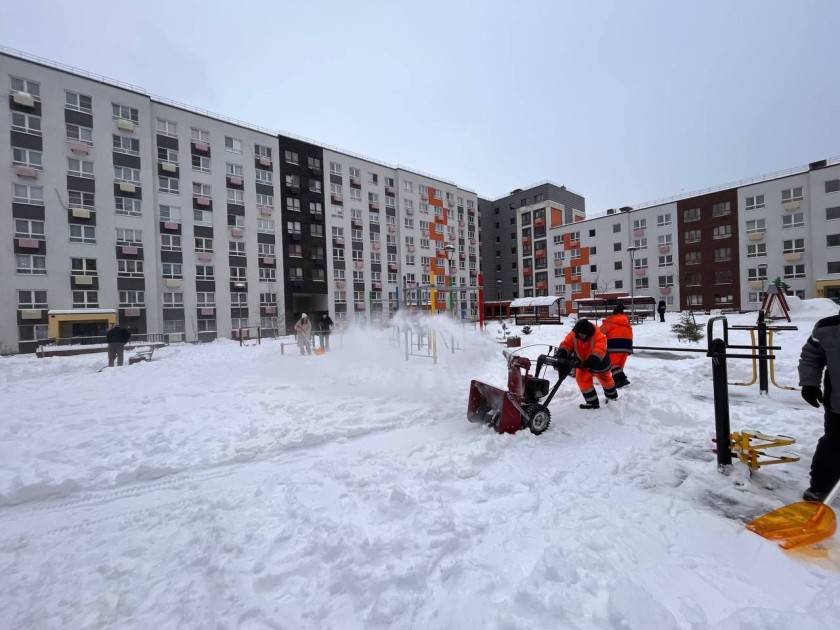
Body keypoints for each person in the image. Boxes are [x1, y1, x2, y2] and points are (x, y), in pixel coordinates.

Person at [798, 313, 840, 501]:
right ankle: (822, 487)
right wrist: (810, 384)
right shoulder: (827, 327)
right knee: (834, 442)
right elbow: (811, 357)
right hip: (838, 402)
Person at [556, 319, 618, 409]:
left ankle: (612, 397)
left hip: (599, 361)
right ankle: (592, 402)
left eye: (582, 334)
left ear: (588, 333)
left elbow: (600, 349)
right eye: (579, 334)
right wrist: (562, 352)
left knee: (605, 379)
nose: (580, 336)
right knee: (582, 379)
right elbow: (566, 343)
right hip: (583, 362)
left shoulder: (599, 335)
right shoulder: (574, 334)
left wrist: (593, 359)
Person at [600, 304, 633, 388]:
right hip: (627, 346)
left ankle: (622, 379)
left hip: (615, 344)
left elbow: (601, 331)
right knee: (619, 365)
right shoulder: (626, 321)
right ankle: (617, 381)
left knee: (612, 364)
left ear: (614, 313)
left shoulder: (611, 320)